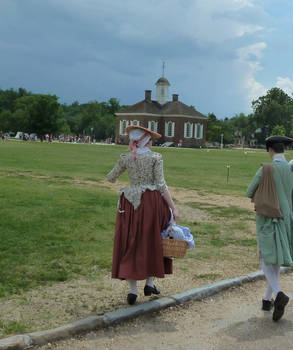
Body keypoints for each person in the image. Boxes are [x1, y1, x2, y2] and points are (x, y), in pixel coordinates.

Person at [106, 125, 178, 305]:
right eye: (151, 140)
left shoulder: (125, 157)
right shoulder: (155, 158)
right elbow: (161, 185)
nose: (152, 143)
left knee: (131, 242)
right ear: (146, 140)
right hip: (150, 203)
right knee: (153, 241)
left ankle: (132, 291)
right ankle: (149, 283)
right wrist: (173, 207)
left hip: (129, 204)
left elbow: (111, 177)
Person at [246, 135, 293, 322]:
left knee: (265, 258)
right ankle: (267, 300)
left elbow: (250, 191)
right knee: (276, 259)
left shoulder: (266, 168)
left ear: (270, 150)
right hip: (287, 217)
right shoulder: (291, 169)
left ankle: (279, 293)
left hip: (268, 218)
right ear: (284, 149)